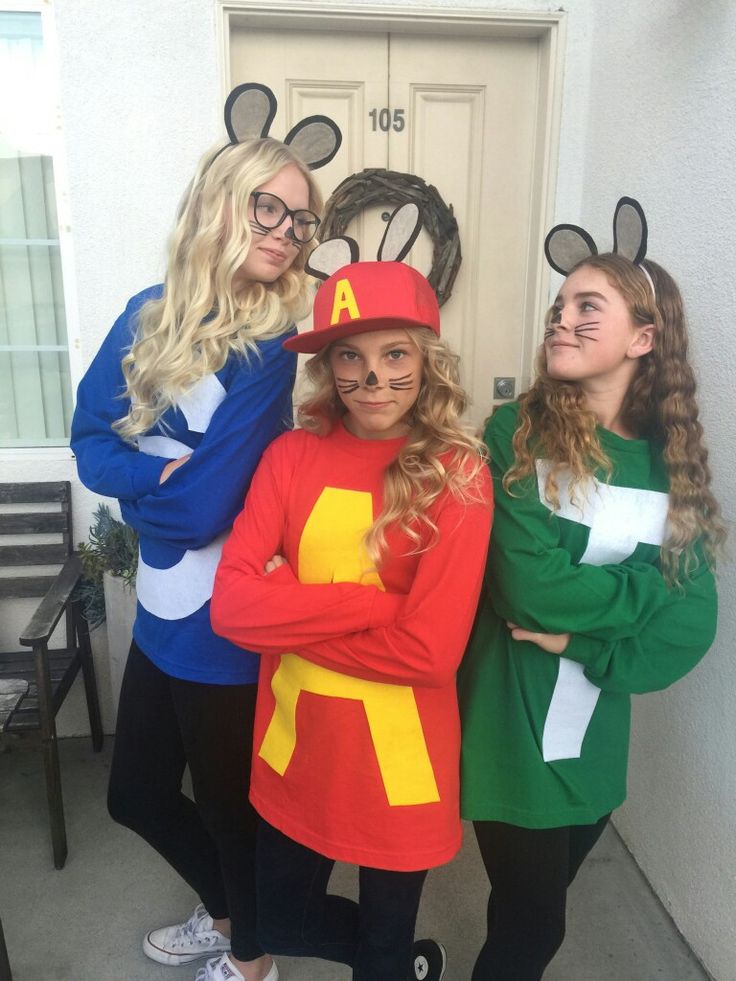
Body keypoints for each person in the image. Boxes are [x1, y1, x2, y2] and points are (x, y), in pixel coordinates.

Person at [71, 84, 340, 981]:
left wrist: (146, 497)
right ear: (221, 202)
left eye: (299, 221)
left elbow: (203, 511)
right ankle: (233, 911)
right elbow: (88, 442)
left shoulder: (273, 346)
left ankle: (254, 955)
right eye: (270, 205)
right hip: (162, 602)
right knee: (137, 794)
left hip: (225, 615)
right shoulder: (148, 315)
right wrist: (152, 477)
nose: (284, 230)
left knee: (231, 807)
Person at [210, 212, 494, 981]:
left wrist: (288, 608)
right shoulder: (291, 454)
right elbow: (231, 607)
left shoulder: (457, 474)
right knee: (278, 916)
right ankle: (406, 960)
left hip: (398, 761)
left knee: (378, 956)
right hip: (298, 743)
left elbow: (430, 651)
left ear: (426, 360)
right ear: (327, 366)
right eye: (350, 356)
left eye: (394, 353)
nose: (373, 379)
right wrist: (368, 606)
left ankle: (396, 961)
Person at [458, 198, 723, 981]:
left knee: (520, 914)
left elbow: (692, 624)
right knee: (536, 930)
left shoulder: (673, 471)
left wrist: (585, 641)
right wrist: (648, 591)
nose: (560, 320)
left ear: (644, 339)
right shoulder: (516, 434)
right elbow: (530, 588)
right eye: (559, 306)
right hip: (510, 723)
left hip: (596, 734)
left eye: (586, 306)